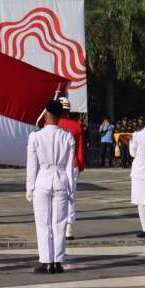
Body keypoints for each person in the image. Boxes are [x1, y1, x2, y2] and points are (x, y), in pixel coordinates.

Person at [26, 99, 75, 274]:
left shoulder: (35, 136)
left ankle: (47, 261)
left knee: (43, 223)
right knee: (59, 223)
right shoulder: (67, 136)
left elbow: (32, 166)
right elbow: (70, 167)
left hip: (42, 181)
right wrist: (71, 190)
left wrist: (29, 189)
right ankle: (58, 261)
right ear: (61, 116)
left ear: (46, 115)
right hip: (61, 180)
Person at [56, 97, 84, 241]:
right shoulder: (76, 125)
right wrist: (80, 165)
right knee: (70, 196)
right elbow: (79, 150)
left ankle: (56, 227)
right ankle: (69, 229)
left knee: (54, 197)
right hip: (72, 165)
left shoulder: (50, 125)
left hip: (55, 165)